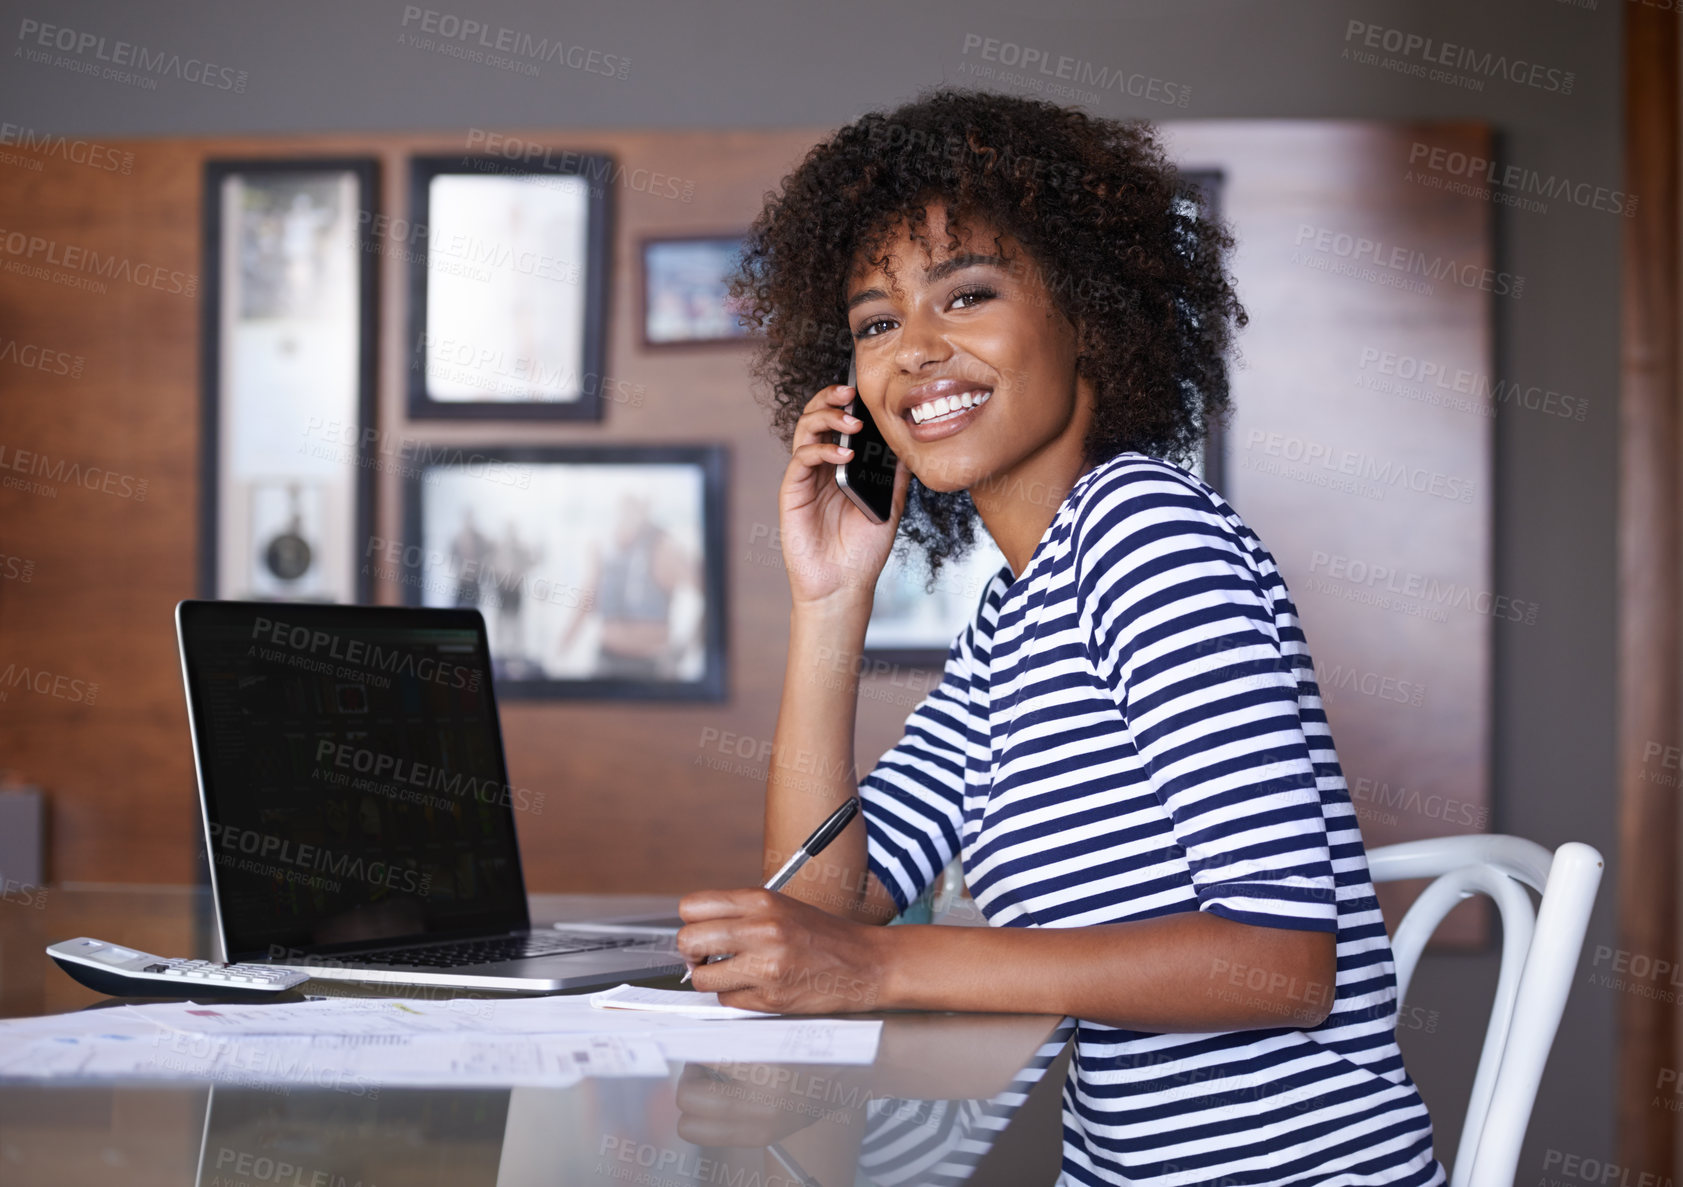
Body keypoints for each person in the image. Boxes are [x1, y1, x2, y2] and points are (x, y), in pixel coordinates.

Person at [676, 86, 1447, 1186]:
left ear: (1089, 309)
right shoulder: (1016, 618)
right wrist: (830, 602)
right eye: (876, 323)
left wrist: (881, 968)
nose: (916, 353)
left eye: (968, 295)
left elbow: (1280, 965)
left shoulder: (1147, 534)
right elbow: (823, 910)